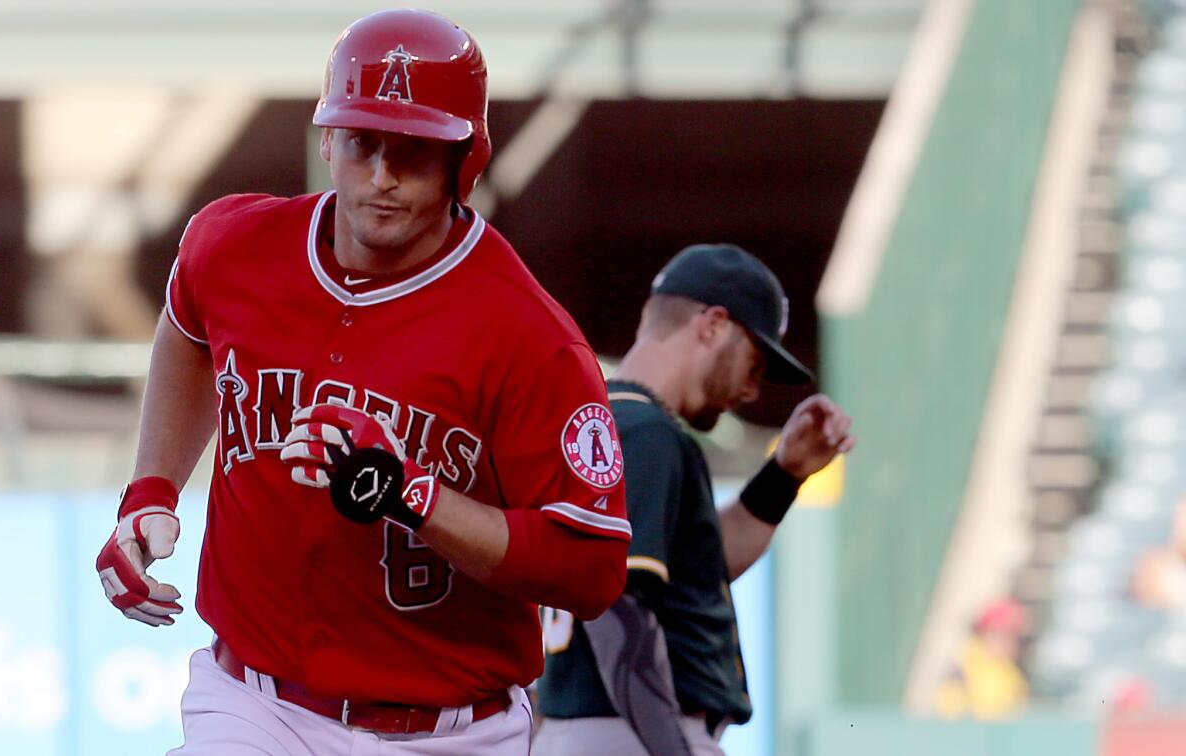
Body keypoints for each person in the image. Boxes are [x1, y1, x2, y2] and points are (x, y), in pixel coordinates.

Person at [92, 9, 631, 754]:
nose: (380, 175)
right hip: (254, 705)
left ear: (462, 160)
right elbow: (187, 324)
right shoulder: (234, 244)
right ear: (327, 139)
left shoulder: (532, 339)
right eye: (361, 142)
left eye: (411, 151)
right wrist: (151, 490)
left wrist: (416, 497)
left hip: (450, 729)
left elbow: (591, 568)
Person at [533, 244, 856, 755]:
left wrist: (784, 475)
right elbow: (617, 611)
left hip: (597, 726)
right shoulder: (646, 431)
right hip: (631, 730)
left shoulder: (605, 423)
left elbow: (699, 565)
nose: (753, 389)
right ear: (712, 325)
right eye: (755, 360)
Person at [934, 597, 1029, 720]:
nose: (1007, 643)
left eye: (1012, 636)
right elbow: (948, 715)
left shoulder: (1015, 678)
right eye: (1000, 635)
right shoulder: (962, 667)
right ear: (984, 633)